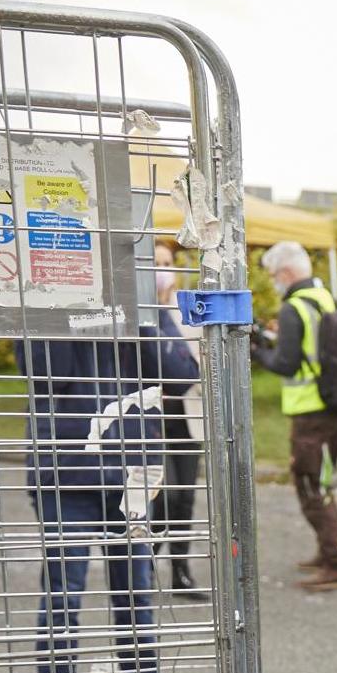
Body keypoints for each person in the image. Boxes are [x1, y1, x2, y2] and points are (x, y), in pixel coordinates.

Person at [21, 336, 199, 673]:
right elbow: (48, 373)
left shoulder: (141, 307)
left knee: (136, 594)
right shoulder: (45, 291)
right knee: (64, 598)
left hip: (132, 472)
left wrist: (147, 311)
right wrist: (74, 309)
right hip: (67, 473)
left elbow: (183, 373)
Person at [251, 240, 337, 591]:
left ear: (286, 272)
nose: (274, 282)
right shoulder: (324, 298)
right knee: (319, 478)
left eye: (273, 275)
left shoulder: (293, 307)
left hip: (311, 410)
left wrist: (257, 351)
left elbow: (286, 363)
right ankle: (328, 552)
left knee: (311, 482)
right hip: (333, 404)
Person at [145, 244, 209, 600]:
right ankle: (144, 567)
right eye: (154, 264)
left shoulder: (185, 310)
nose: (162, 270)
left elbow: (202, 357)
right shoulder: (138, 311)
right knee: (161, 495)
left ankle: (180, 572)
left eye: (167, 264)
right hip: (153, 415)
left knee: (184, 496)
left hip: (186, 413)